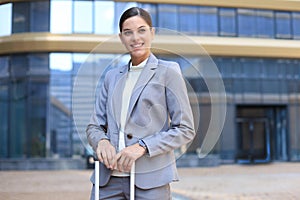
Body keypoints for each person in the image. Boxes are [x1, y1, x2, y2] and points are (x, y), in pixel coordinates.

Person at [86, 7, 195, 200]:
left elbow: (185, 129)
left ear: (152, 33)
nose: (135, 38)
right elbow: (95, 126)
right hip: (107, 183)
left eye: (141, 30)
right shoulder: (112, 77)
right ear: (121, 38)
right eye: (128, 32)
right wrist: (101, 141)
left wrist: (142, 146)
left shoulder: (168, 72)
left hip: (150, 183)